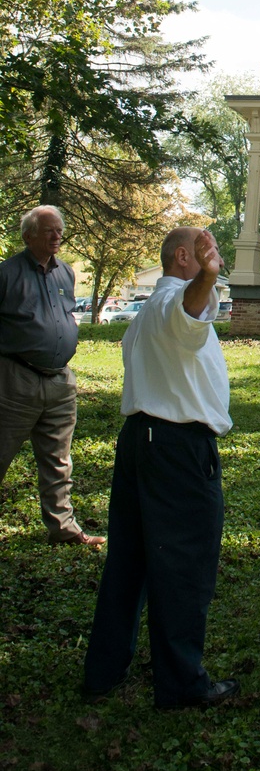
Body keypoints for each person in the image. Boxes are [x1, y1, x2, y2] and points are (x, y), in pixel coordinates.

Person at [83, 227, 238, 710]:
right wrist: (208, 276)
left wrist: (206, 277)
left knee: (130, 561)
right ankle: (181, 684)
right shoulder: (173, 302)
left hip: (142, 443)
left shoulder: (149, 310)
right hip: (176, 449)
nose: (214, 252)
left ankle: (104, 670)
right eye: (205, 248)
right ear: (182, 256)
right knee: (184, 566)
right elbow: (190, 313)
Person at [0, 206, 104, 547]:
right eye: (49, 231)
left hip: (60, 381)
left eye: (59, 230)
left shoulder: (66, 274)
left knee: (59, 461)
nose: (57, 236)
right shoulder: (7, 274)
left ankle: (64, 530)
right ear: (29, 235)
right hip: (16, 380)